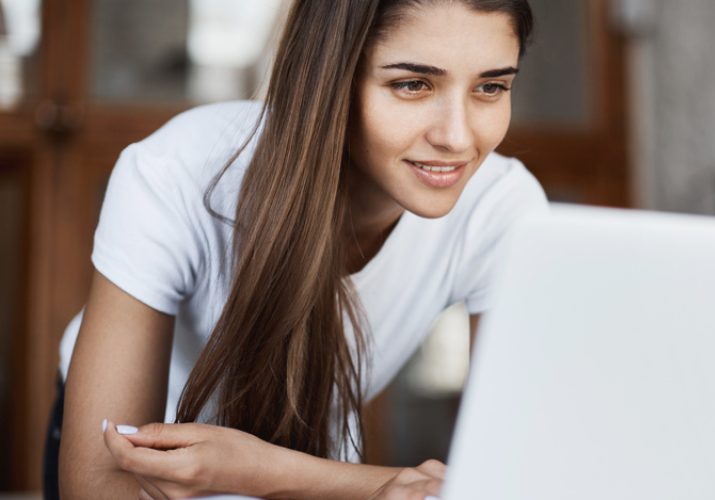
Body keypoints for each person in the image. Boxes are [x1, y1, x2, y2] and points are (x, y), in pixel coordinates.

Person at [51, 0, 544, 498]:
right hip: (156, 475)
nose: (457, 137)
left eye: (490, 87)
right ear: (330, 79)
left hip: (312, 467)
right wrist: (382, 485)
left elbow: (520, 477)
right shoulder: (176, 172)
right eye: (412, 84)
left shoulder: (504, 210)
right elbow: (99, 481)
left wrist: (256, 471)